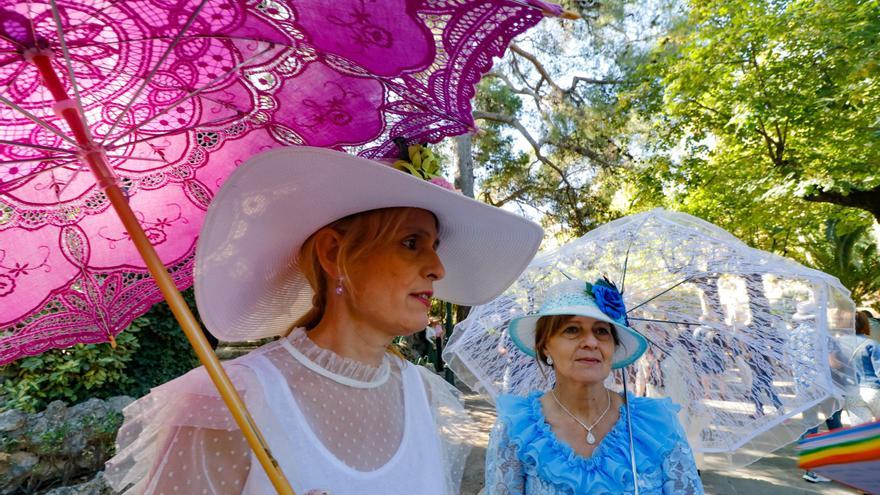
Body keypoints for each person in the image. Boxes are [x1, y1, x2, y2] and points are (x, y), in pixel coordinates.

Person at [103, 146, 544, 494]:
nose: (437, 269)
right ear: (334, 253)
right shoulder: (231, 403)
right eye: (411, 243)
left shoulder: (425, 394)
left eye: (435, 247)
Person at [484, 279, 703, 494]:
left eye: (601, 331)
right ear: (546, 347)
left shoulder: (657, 425)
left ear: (613, 346)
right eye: (571, 330)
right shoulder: (516, 429)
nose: (591, 342)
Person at [840, 311, 880, 424]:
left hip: (851, 392)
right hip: (873, 390)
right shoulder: (871, 344)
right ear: (865, 324)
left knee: (861, 432)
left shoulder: (838, 343)